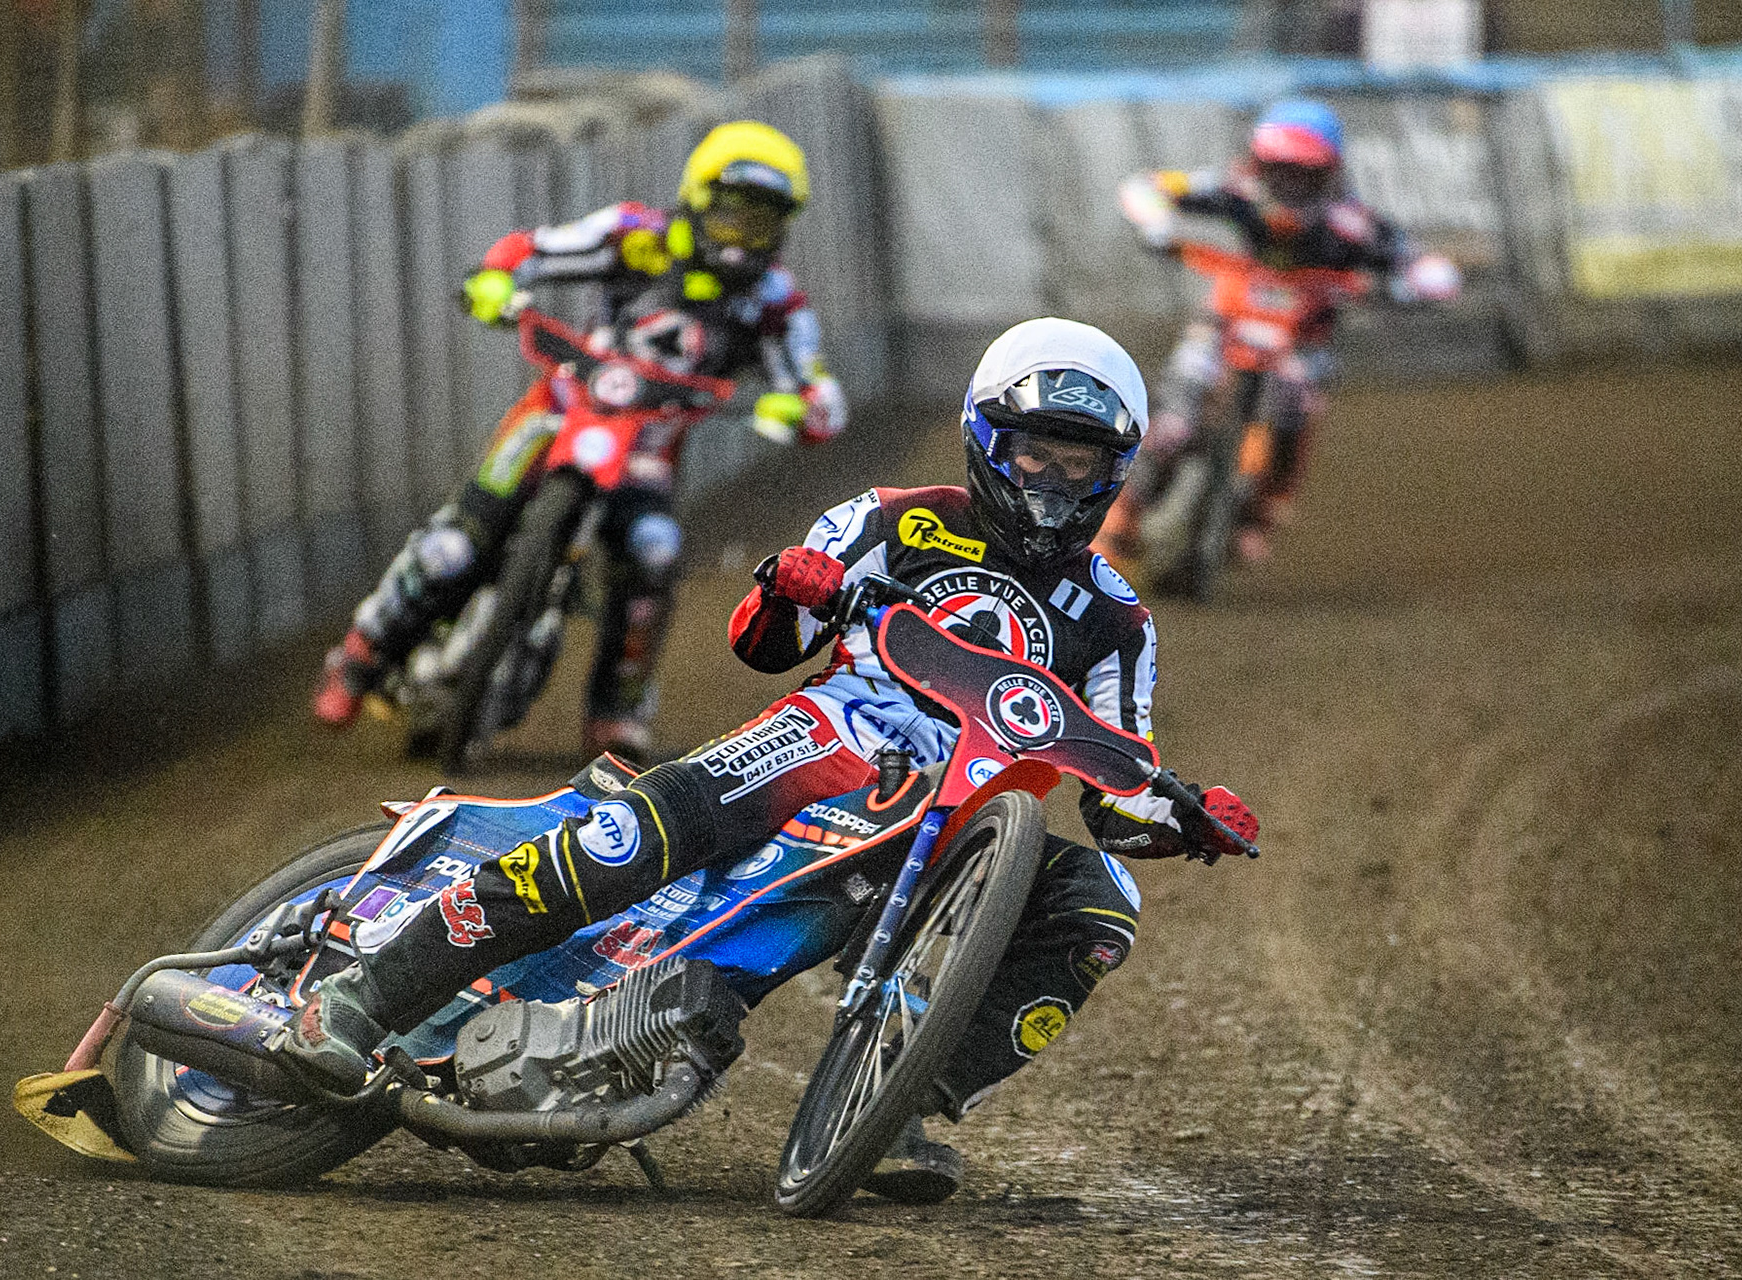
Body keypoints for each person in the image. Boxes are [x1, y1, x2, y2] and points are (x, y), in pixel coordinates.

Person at [284, 318, 1260, 1203]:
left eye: (1078, 460)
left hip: (954, 823)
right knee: (626, 841)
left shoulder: (1119, 622)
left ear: (1115, 469)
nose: (1052, 478)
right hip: (826, 741)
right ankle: (363, 994)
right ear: (988, 441)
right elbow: (762, 641)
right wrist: (794, 585)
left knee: (1102, 900)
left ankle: (908, 1094)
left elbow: (1119, 790)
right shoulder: (892, 516)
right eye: (1036, 450)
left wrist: (1189, 815)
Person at [313, 120, 849, 761]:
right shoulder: (634, 236)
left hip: (650, 449)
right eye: (731, 217)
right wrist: (496, 278)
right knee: (457, 543)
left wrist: (807, 407)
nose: (741, 240)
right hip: (560, 409)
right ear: (696, 200)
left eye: (760, 225)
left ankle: (618, 712)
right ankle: (361, 652)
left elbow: (815, 384)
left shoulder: (777, 302)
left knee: (655, 549)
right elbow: (530, 248)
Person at [1107, 97, 1459, 563]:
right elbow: (1145, 187)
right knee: (1174, 420)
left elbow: (1429, 267)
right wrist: (1158, 221)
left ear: (1330, 171)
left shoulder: (1352, 225)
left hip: (1302, 338)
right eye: (1280, 168)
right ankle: (1120, 517)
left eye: (1305, 172)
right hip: (1224, 323)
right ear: (1259, 163)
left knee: (1297, 406)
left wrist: (1409, 284)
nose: (1290, 183)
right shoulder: (1235, 190)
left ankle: (1263, 510)